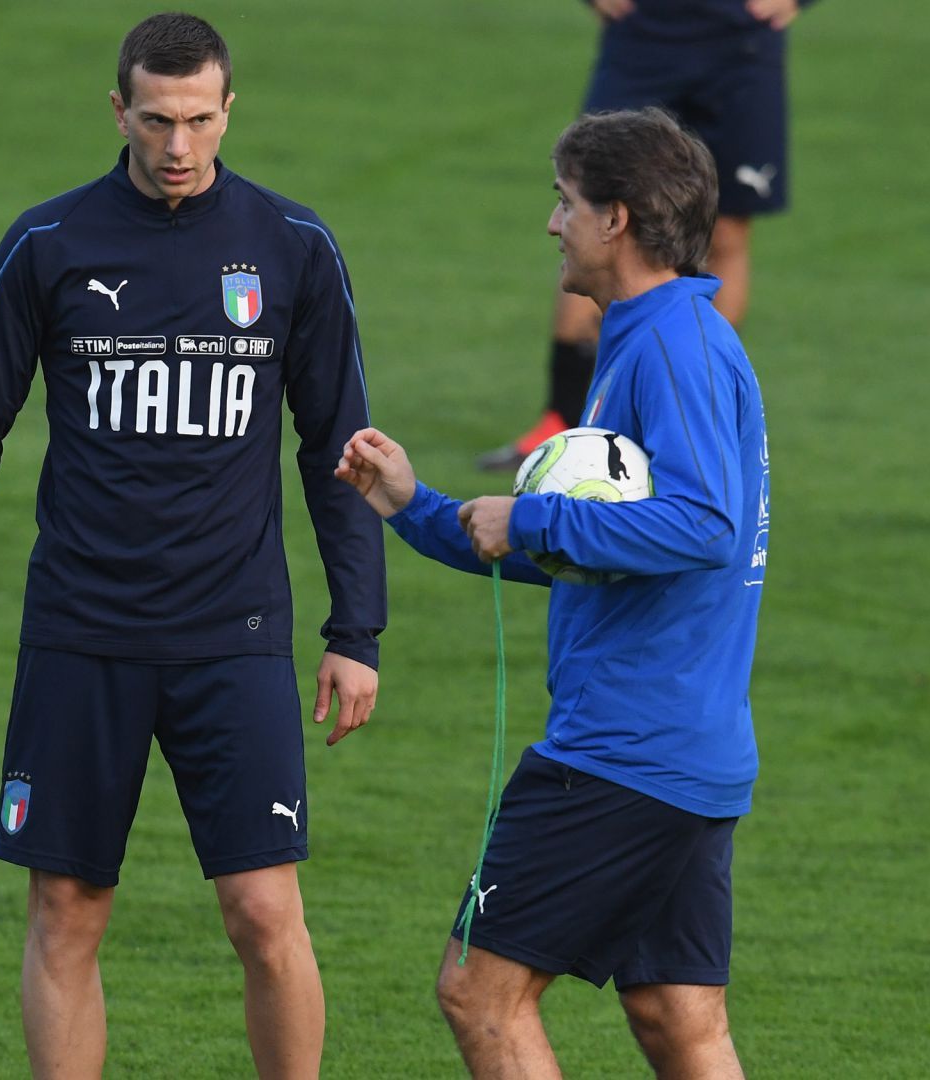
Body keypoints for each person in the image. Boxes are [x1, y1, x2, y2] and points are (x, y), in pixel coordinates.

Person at [0, 13, 385, 1077]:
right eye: (156, 120)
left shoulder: (292, 248)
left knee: (261, 909)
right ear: (119, 110)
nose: (178, 146)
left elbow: (339, 448)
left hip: (233, 633)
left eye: (200, 120)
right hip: (81, 631)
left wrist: (357, 629)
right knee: (68, 907)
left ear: (229, 110)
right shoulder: (48, 245)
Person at [337, 108, 769, 1078]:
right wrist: (418, 508)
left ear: (616, 219)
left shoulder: (674, 350)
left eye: (564, 202)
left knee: (480, 993)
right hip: (685, 749)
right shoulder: (653, 339)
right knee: (675, 1015)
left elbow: (704, 527)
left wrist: (527, 517)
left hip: (622, 750)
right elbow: (609, 548)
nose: (551, 224)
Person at [477, 0, 807, 472]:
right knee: (592, 215)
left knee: (727, 231)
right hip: (644, 36)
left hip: (742, 45)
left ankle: (701, 414)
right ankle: (562, 418)